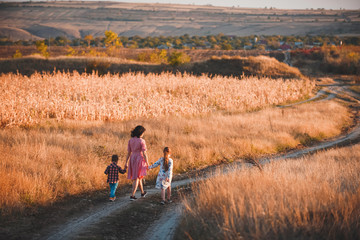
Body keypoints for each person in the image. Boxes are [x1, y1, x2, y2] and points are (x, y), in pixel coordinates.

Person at [124, 125, 149, 201]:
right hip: (139, 159)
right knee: (137, 178)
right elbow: (144, 153)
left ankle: (142, 192)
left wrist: (126, 162)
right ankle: (132, 195)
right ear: (141, 133)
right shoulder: (142, 141)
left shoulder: (130, 140)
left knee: (139, 177)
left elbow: (128, 153)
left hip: (132, 158)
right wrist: (147, 163)